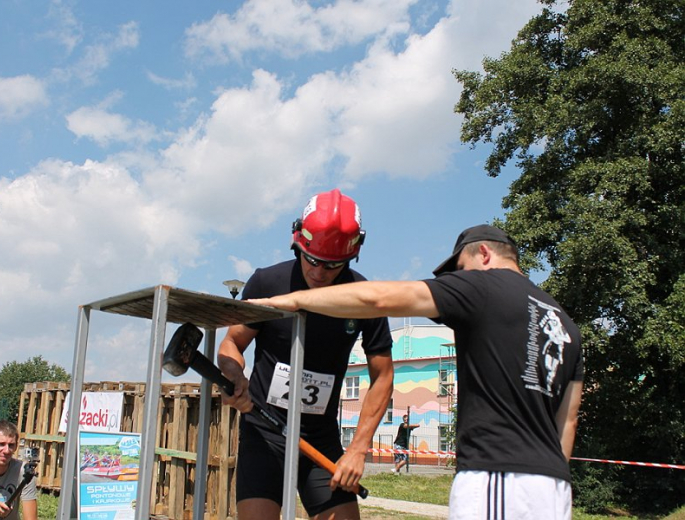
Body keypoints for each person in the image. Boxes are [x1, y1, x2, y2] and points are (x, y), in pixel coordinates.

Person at [250, 224, 584, 520]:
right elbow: (567, 421)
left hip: (499, 476)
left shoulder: (484, 287)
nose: (461, 279)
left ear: (484, 254)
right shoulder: (564, 324)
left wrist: (295, 302)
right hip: (552, 487)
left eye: (462, 270)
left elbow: (380, 300)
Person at [218, 189, 394, 520]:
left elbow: (383, 375)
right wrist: (234, 376)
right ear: (297, 240)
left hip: (319, 439)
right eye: (310, 258)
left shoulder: (363, 298)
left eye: (331, 265)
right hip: (264, 431)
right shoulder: (267, 282)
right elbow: (231, 344)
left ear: (351, 256)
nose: (317, 272)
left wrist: (357, 450)